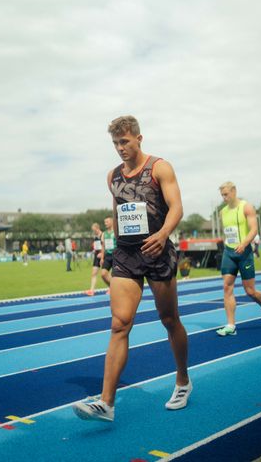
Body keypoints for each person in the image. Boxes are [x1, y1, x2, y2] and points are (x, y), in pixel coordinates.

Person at [73, 115, 191, 422]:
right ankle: (106, 403)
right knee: (119, 324)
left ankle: (182, 380)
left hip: (157, 251)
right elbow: (115, 211)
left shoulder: (160, 168)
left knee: (169, 319)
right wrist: (111, 248)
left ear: (139, 138)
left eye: (124, 141)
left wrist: (163, 235)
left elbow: (176, 207)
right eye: (115, 143)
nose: (120, 148)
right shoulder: (113, 175)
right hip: (126, 254)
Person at [216, 181, 261, 336]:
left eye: (226, 194)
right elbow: (227, 232)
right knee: (227, 287)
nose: (224, 197)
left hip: (244, 253)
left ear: (234, 191)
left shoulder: (246, 207)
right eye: (222, 195)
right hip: (229, 252)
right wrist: (226, 244)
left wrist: (243, 244)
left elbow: (254, 229)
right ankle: (231, 325)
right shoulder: (222, 212)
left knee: (249, 291)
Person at [85, 223, 105, 296]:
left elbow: (105, 246)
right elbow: (96, 245)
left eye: (94, 230)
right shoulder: (95, 236)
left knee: (105, 273)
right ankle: (92, 290)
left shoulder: (102, 235)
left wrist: (102, 254)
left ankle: (111, 288)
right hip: (96, 255)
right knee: (93, 273)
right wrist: (94, 250)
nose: (94, 231)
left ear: (97, 228)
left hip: (103, 255)